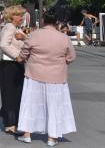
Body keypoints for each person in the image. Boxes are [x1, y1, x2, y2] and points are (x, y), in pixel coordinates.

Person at [16, 9, 76, 147]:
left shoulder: (34, 35)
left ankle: (27, 135)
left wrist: (20, 58)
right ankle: (52, 137)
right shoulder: (64, 38)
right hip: (56, 76)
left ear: (43, 20)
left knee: (30, 104)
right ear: (57, 22)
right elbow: (71, 57)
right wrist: (61, 62)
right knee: (54, 106)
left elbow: (24, 53)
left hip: (34, 75)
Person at [0, 5, 26, 135]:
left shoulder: (14, 28)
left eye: (22, 15)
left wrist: (23, 38)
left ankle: (11, 120)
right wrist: (17, 56)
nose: (22, 17)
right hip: (10, 65)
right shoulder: (10, 27)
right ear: (12, 16)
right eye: (19, 15)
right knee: (11, 94)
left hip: (13, 64)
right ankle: (10, 123)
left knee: (15, 93)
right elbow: (4, 45)